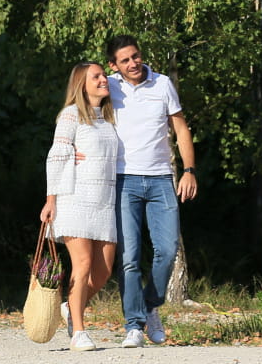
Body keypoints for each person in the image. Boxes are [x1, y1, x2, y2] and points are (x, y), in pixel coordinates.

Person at [105, 35, 197, 348]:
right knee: (129, 258)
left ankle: (149, 307)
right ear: (114, 66)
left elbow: (181, 128)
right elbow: (82, 110)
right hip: (123, 180)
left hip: (161, 180)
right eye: (126, 60)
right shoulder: (108, 86)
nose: (134, 64)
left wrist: (188, 170)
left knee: (168, 250)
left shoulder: (162, 84)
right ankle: (133, 325)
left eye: (136, 56)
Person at [40, 62, 120, 352]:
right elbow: (57, 157)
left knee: (103, 272)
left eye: (104, 74)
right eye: (96, 76)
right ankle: (79, 331)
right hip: (75, 198)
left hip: (104, 201)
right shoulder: (71, 115)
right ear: (81, 85)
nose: (103, 79)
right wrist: (51, 200)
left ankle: (71, 306)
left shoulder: (110, 117)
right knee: (82, 264)